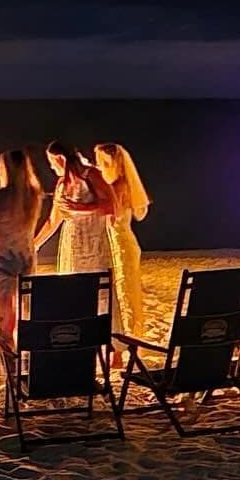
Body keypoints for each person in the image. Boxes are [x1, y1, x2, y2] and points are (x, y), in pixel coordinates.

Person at [0, 149, 43, 343]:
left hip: (2, 260)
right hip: (25, 258)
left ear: (4, 169)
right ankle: (26, 351)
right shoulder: (34, 196)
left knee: (5, 314)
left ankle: (9, 353)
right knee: (25, 310)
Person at [94, 142, 150, 337]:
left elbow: (113, 213)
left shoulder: (120, 186)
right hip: (117, 243)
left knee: (125, 290)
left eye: (104, 163)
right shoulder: (115, 185)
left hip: (122, 245)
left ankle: (130, 335)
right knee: (121, 290)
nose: (100, 167)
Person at [34, 141, 115, 276]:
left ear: (61, 158)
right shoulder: (62, 185)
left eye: (52, 162)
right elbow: (52, 221)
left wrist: (82, 208)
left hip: (95, 243)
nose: (51, 167)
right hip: (73, 244)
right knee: (74, 282)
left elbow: (112, 205)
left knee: (98, 282)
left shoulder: (92, 175)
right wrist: (35, 244)